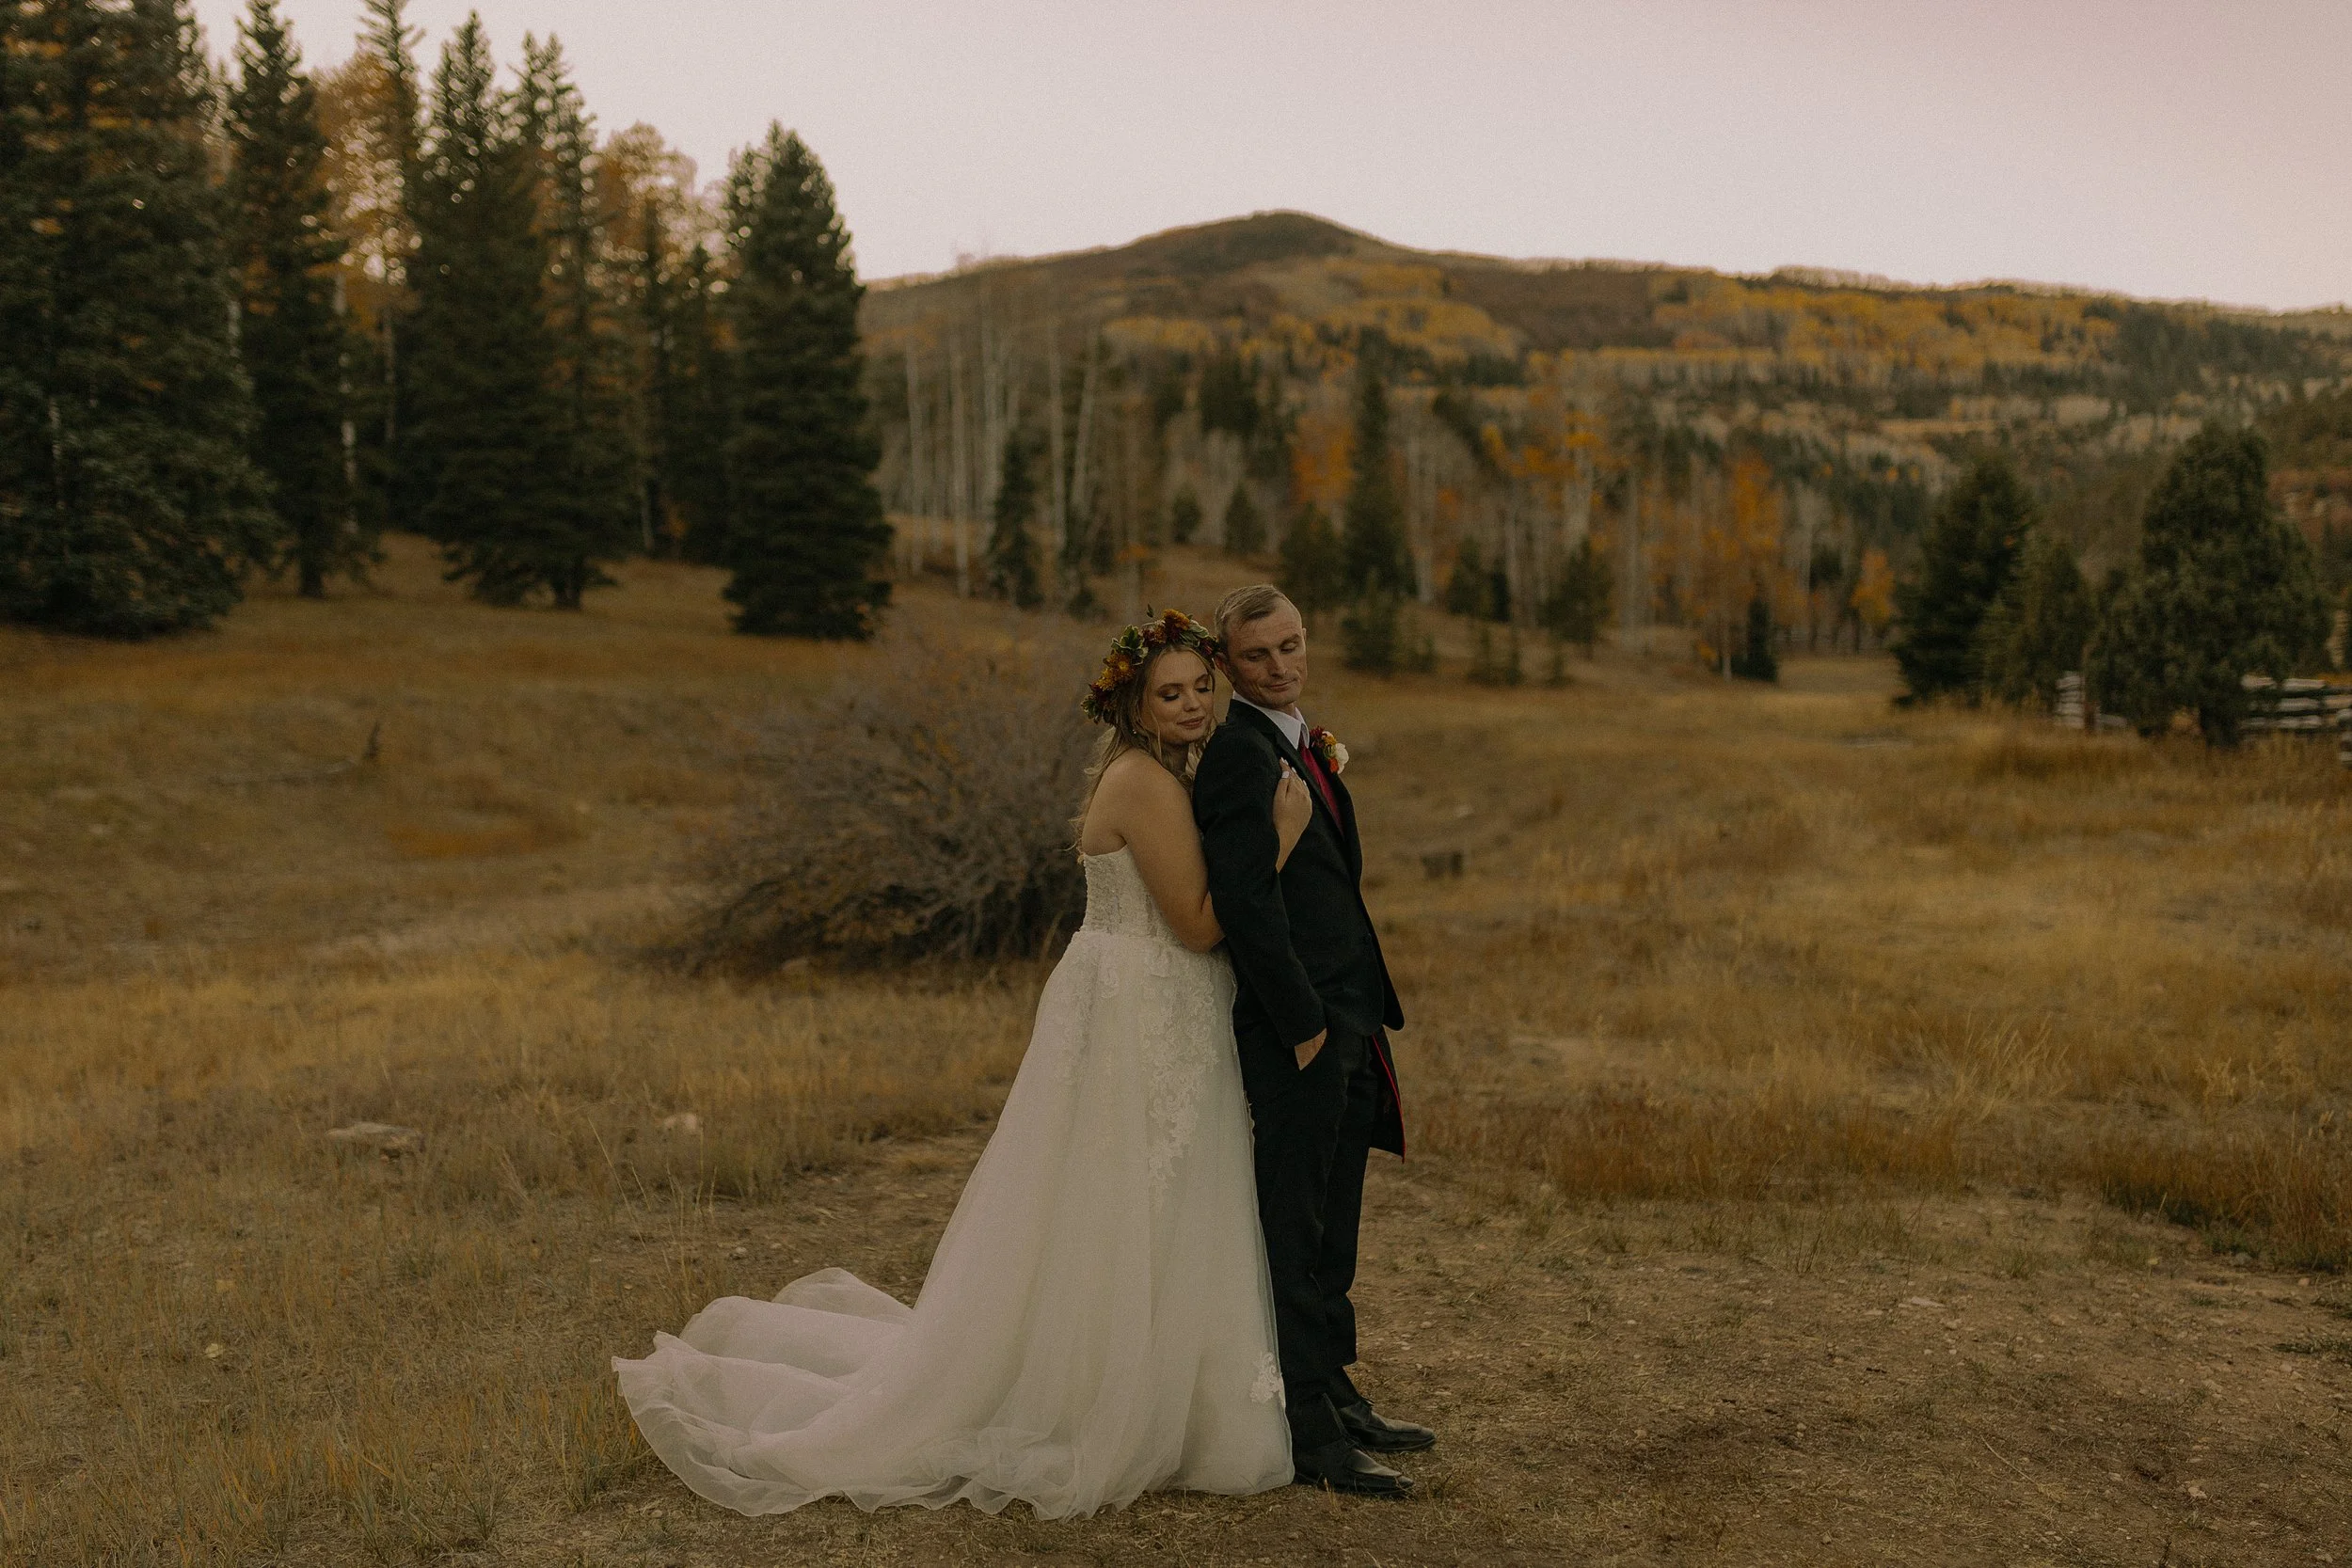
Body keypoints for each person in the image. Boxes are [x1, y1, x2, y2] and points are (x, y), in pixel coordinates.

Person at [613, 609, 1316, 1519]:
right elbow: (1196, 921)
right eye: (1168, 693)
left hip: (1153, 1000)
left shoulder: (1165, 772)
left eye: (1197, 688)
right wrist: (1282, 837)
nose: (1189, 705)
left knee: (1149, 1196)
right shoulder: (1144, 781)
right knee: (1129, 1195)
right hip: (1143, 1001)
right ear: (1131, 706)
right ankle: (1097, 1397)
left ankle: (1157, 1389)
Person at [1193, 583, 1432, 1498]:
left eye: (1292, 644)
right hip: (1300, 1028)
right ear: (1227, 666)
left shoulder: (1301, 736)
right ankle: (1308, 1436)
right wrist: (1300, 1028)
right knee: (1293, 1234)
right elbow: (1247, 907)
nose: (1282, 665)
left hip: (1352, 1019)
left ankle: (1337, 1391)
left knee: (1337, 1228)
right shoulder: (1236, 759)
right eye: (1258, 655)